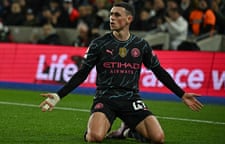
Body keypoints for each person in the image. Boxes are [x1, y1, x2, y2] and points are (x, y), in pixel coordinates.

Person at [39, 2, 203, 143]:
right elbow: (82, 73)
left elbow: (158, 71)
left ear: (129, 19)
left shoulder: (141, 45)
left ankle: (128, 130)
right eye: (111, 14)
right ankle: (108, 127)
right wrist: (58, 95)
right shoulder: (99, 44)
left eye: (117, 15)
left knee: (158, 138)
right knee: (94, 137)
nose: (112, 18)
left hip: (131, 99)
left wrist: (181, 94)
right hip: (105, 98)